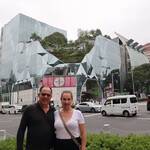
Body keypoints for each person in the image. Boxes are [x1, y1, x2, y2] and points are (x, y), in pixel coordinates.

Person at [17, 85, 55, 150]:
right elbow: (21, 130)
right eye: (43, 94)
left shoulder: (54, 111)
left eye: (48, 95)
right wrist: (19, 148)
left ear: (51, 97)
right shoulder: (29, 109)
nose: (45, 96)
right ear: (39, 95)